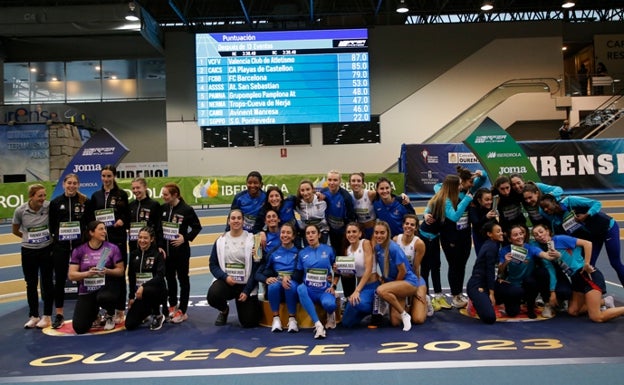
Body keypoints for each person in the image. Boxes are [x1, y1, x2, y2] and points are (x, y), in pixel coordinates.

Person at [532, 223, 624, 322]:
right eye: (536, 235)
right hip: (576, 280)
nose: (540, 235)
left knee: (597, 317)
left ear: (547, 231)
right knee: (572, 311)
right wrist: (552, 291)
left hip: (587, 275)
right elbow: (552, 272)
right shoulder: (546, 253)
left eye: (541, 232)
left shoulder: (559, 239)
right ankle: (605, 301)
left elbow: (587, 244)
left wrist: (587, 264)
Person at [539, 193, 624, 287]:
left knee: (615, 263)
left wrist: (586, 215)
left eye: (547, 206)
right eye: (543, 209)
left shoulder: (570, 201)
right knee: (588, 265)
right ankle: (596, 294)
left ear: (554, 201)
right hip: (593, 237)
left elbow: (597, 203)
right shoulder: (556, 221)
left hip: (608, 228)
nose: (546, 210)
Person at [86, 164, 130, 325]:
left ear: (114, 177)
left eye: (109, 176)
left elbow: (127, 215)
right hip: (102, 245)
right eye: (104, 176)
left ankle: (120, 310)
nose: (106, 179)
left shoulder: (121, 195)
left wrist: (122, 221)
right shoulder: (96, 196)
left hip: (117, 241)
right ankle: (107, 312)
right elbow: (91, 219)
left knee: (119, 274)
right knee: (102, 273)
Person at [68, 220, 125, 334]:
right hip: (87, 291)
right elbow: (71, 275)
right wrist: (87, 274)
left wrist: (107, 271)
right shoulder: (79, 250)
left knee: (104, 297)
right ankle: (95, 314)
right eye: (101, 229)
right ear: (91, 232)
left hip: (106, 288)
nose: (104, 231)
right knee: (79, 328)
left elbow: (121, 271)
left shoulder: (111, 248)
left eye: (105, 229)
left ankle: (110, 314)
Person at [208, 209, 261, 328]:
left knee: (250, 323)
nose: (236, 221)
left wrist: (247, 291)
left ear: (243, 221)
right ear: (228, 221)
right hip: (228, 283)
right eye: (233, 218)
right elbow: (213, 265)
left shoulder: (254, 240)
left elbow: (256, 268)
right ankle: (224, 310)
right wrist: (225, 277)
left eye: (239, 218)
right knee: (213, 295)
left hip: (246, 285)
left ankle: (249, 303)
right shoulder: (220, 241)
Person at [48, 173, 89, 329]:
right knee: (59, 280)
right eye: (69, 183)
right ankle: (59, 314)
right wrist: (58, 238)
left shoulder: (84, 202)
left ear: (78, 185)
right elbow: (52, 225)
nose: (72, 186)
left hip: (79, 248)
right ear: (64, 184)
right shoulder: (56, 203)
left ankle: (83, 310)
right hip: (61, 248)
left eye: (74, 183)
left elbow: (88, 222)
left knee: (82, 279)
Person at [427, 174, 473, 308]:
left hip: (464, 236)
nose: (461, 186)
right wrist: (467, 200)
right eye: (458, 184)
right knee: (454, 265)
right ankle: (454, 295)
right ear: (453, 186)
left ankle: (458, 293)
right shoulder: (444, 199)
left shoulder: (459, 195)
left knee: (462, 265)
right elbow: (454, 216)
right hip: (450, 238)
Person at [12, 184, 54, 329]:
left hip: (46, 249)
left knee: (47, 283)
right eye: (39, 196)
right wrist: (29, 239)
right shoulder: (20, 211)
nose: (43, 198)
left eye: (44, 195)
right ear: (31, 197)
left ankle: (47, 316)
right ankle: (34, 316)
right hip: (28, 251)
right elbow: (15, 230)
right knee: (31, 284)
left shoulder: (49, 207)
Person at [160, 182, 202, 323]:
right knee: (170, 279)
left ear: (175, 195)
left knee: (183, 280)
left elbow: (197, 227)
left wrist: (186, 238)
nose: (163, 197)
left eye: (166, 194)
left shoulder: (186, 209)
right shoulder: (163, 208)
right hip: (166, 253)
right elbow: (159, 229)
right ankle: (172, 306)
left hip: (181, 252)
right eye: (163, 194)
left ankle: (183, 310)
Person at [374, 220, 427, 331]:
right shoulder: (377, 248)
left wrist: (395, 287)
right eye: (376, 233)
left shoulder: (394, 248)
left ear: (387, 233)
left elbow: (403, 271)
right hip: (396, 283)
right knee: (395, 322)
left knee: (418, 319)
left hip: (408, 281)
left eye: (382, 233)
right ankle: (407, 308)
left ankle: (405, 313)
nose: (379, 235)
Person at [496, 224, 556, 319]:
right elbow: (500, 271)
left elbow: (547, 256)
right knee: (512, 312)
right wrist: (506, 262)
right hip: (513, 285)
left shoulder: (530, 248)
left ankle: (532, 306)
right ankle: (517, 300)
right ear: (510, 239)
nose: (519, 236)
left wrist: (555, 253)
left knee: (540, 273)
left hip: (528, 283)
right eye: (515, 235)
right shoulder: (504, 251)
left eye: (521, 233)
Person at [293, 224, 339, 339]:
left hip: (324, 290)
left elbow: (338, 270)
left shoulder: (329, 250)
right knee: (300, 288)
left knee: (329, 305)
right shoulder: (302, 253)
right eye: (308, 233)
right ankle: (318, 325)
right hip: (309, 290)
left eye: (313, 232)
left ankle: (331, 311)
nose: (310, 235)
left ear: (319, 235)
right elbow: (298, 274)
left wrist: (333, 286)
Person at [254, 222, 300, 332]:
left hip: (293, 281)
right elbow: (258, 274)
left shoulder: (299, 251)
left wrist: (289, 277)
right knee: (273, 286)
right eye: (283, 232)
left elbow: (301, 272)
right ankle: (276, 318)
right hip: (278, 281)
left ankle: (292, 319)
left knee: (290, 285)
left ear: (293, 236)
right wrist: (266, 279)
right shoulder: (273, 253)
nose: (285, 235)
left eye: (288, 233)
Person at [321, 170, 357, 297]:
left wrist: (348, 237)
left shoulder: (345, 197)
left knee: (346, 264)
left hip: (344, 236)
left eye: (335, 180)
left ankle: (349, 296)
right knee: (335, 263)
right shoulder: (323, 193)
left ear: (340, 182)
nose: (332, 182)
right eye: (330, 180)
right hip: (332, 234)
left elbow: (352, 218)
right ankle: (331, 289)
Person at [125, 226, 167, 331]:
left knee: (149, 291)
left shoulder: (158, 254)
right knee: (129, 324)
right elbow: (131, 276)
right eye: (140, 237)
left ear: (151, 239)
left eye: (145, 238)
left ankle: (158, 315)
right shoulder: (134, 254)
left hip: (157, 291)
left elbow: (160, 276)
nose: (142, 240)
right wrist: (131, 297)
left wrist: (143, 286)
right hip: (140, 294)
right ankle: (146, 312)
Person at [340, 222, 379, 328]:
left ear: (360, 234)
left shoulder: (365, 243)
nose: (351, 234)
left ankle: (377, 308)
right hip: (361, 288)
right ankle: (366, 311)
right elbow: (350, 275)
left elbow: (368, 270)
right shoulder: (347, 250)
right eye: (348, 232)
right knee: (346, 323)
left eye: (354, 232)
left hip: (372, 285)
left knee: (356, 303)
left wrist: (356, 290)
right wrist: (341, 271)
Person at [393, 214, 431, 316]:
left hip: (413, 277)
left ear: (416, 228)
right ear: (403, 225)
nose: (409, 226)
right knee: (396, 320)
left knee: (417, 319)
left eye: (412, 225)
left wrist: (413, 290)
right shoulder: (396, 240)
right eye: (407, 223)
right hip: (400, 277)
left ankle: (425, 301)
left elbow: (416, 267)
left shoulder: (419, 244)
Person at [466, 221, 503, 324]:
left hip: (488, 282)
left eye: (501, 231)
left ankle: (484, 300)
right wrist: (491, 293)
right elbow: (489, 270)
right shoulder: (491, 247)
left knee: (515, 292)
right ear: (490, 234)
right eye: (498, 231)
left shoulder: (494, 244)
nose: (501, 233)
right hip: (478, 284)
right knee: (489, 318)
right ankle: (474, 302)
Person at [128, 177, 162, 254]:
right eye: (133, 188)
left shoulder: (154, 204)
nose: (135, 190)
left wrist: (160, 245)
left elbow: (159, 226)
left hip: (150, 245)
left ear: (145, 187)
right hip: (134, 244)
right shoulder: (131, 205)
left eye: (138, 188)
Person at [295, 180, 329, 246]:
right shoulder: (297, 203)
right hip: (308, 233)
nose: (305, 193)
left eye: (308, 189)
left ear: (313, 189)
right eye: (302, 190)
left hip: (322, 231)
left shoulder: (322, 200)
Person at [468, 187, 498, 255]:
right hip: (479, 237)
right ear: (479, 200)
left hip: (491, 237)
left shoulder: (490, 206)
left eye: (491, 199)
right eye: (487, 200)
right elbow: (476, 224)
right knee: (482, 260)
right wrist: (486, 217)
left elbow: (494, 221)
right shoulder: (473, 208)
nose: (490, 202)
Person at [348, 172, 377, 239]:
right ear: (350, 183)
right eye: (353, 181)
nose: (356, 183)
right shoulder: (349, 196)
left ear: (363, 183)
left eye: (358, 181)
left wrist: (401, 197)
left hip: (372, 229)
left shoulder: (370, 194)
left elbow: (386, 194)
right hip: (360, 230)